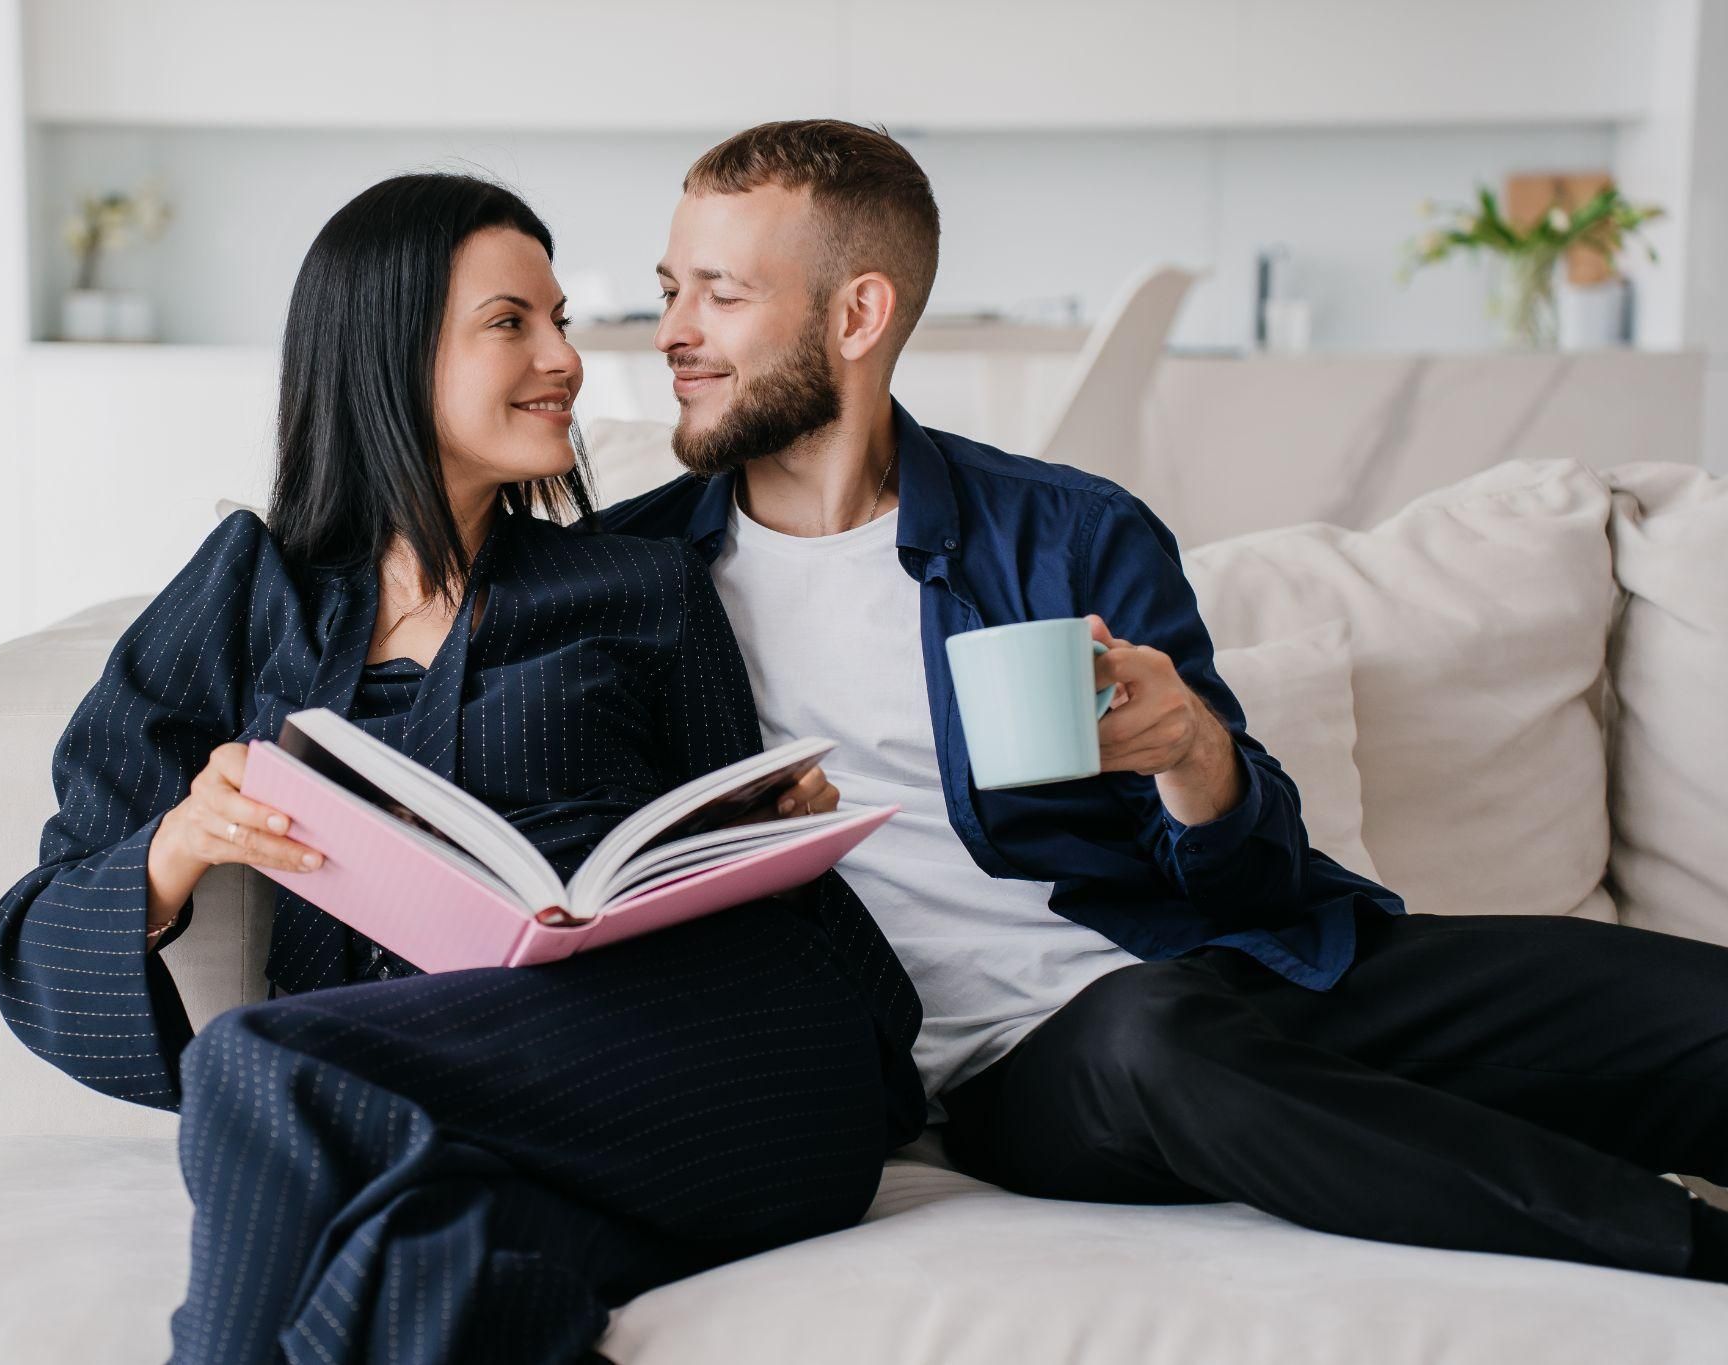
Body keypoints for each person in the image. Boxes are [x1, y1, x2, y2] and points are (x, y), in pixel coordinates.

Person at [598, 118, 1728, 1284]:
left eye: (718, 295)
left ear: (856, 316)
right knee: (1159, 1043)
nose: (672, 331)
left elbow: (1256, 879)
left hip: (1228, 960)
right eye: (669, 289)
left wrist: (1191, 753)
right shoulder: (624, 584)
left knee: (1694, 1013)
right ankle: (1690, 1252)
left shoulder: (1066, 531)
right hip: (1024, 1064)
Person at [0, 172, 925, 1365]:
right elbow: (36, 931)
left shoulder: (637, 586)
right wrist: (178, 846)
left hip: (731, 1059)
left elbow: (736, 858)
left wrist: (759, 820)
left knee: (258, 1062)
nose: (565, 360)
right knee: (432, 1271)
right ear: (387, 352)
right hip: (465, 1110)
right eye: (510, 323)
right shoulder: (243, 597)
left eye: (561, 322)